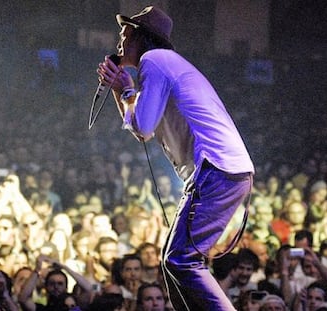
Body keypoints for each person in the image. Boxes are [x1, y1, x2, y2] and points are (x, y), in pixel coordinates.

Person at [97, 5, 254, 310]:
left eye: (124, 31)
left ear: (140, 37)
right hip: (221, 170)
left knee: (181, 260)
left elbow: (142, 124)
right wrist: (122, 89)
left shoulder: (155, 60)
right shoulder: (164, 63)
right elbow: (143, 130)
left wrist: (125, 88)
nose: (119, 37)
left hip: (216, 169)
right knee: (173, 266)